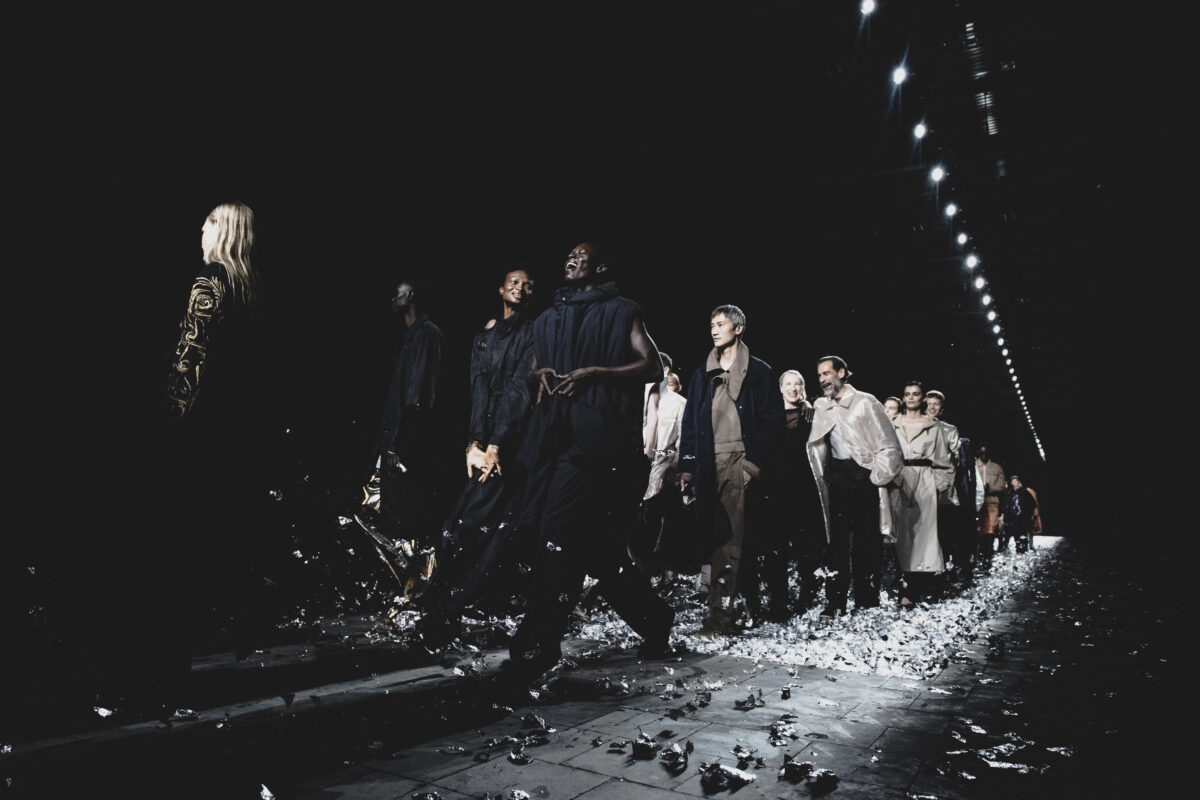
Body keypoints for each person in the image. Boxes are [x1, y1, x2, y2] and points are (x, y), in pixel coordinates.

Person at [504, 242, 673, 687]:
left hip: (599, 447)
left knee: (557, 537)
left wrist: (596, 373)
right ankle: (656, 620)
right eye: (569, 254)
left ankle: (537, 648)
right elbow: (532, 368)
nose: (571, 258)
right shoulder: (549, 318)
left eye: (582, 255)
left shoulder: (622, 310)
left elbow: (651, 365)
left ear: (600, 267)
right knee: (598, 551)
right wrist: (538, 375)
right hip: (555, 442)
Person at [414, 268, 537, 650]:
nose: (519, 288)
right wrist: (473, 444)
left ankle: (444, 614)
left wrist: (496, 444)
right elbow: (478, 390)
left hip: (512, 445)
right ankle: (441, 610)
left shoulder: (533, 334)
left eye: (527, 284)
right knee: (462, 526)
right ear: (500, 289)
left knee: (480, 528)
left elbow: (519, 390)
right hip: (486, 446)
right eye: (513, 282)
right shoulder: (484, 338)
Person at [678, 305, 783, 634]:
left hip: (738, 460)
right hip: (707, 463)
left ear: (738, 328)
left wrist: (753, 464)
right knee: (715, 537)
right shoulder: (702, 373)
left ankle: (720, 619)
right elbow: (690, 423)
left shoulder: (759, 372)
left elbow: (771, 422)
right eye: (711, 324)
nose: (714, 329)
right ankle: (745, 604)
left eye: (721, 324)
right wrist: (687, 467)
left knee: (731, 540)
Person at [356, 279, 449, 601]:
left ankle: (417, 589)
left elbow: (420, 395)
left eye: (397, 294)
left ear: (411, 297)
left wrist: (400, 444)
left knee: (408, 517)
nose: (392, 299)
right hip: (396, 440)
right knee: (381, 513)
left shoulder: (427, 335)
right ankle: (406, 586)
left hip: (408, 445)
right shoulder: (408, 337)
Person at [806, 356, 903, 618]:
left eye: (827, 373)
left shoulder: (866, 402)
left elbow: (890, 445)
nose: (823, 379)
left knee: (867, 542)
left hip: (864, 478)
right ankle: (835, 602)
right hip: (836, 478)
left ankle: (866, 602)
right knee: (836, 544)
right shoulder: (822, 405)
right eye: (819, 375)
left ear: (842, 372)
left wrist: (875, 477)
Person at [889, 382, 954, 608]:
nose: (911, 398)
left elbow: (944, 461)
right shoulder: (893, 423)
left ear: (922, 398)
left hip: (925, 480)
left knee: (923, 536)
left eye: (915, 394)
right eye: (907, 394)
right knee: (900, 534)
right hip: (898, 479)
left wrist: (936, 485)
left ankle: (914, 589)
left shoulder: (933, 427)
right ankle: (902, 586)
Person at [768, 369, 825, 615]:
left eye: (797, 384)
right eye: (788, 384)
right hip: (775, 487)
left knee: (806, 546)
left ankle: (806, 597)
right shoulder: (770, 413)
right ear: (780, 388)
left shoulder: (810, 414)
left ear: (802, 388)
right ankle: (778, 601)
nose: (793, 388)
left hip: (803, 487)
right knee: (775, 545)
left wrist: (807, 406)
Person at [924, 389, 973, 577]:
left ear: (941, 408)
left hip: (942, 486)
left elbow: (955, 459)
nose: (932, 407)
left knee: (942, 530)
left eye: (936, 404)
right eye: (929, 404)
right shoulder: (914, 425)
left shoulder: (949, 430)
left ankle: (942, 568)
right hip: (919, 485)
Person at [975, 442, 1007, 558]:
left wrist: (990, 488)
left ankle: (988, 553)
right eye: (981, 452)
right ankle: (979, 551)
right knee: (978, 527)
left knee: (990, 527)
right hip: (975, 502)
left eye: (986, 452)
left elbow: (1001, 485)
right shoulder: (973, 466)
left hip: (991, 501)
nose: (984, 455)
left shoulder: (997, 467)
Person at [999, 474, 1037, 553]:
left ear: (1018, 482)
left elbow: (1032, 503)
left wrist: (1028, 513)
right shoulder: (1009, 493)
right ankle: (1018, 548)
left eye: (1015, 481)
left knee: (1023, 532)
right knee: (1016, 533)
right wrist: (1006, 514)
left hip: (1023, 516)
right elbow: (1005, 504)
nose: (1014, 482)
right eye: (1012, 481)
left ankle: (1024, 548)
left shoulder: (1024, 492)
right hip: (1013, 517)